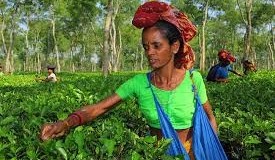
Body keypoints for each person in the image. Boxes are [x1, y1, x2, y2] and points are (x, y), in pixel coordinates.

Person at [40, 1, 217, 158]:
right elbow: (99, 108)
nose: (150, 53)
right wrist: (66, 123)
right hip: (156, 154)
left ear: (175, 46)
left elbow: (210, 118)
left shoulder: (194, 79)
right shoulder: (139, 83)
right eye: (146, 47)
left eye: (157, 45)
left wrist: (211, 146)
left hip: (195, 153)